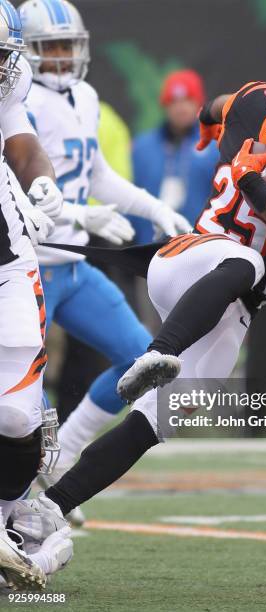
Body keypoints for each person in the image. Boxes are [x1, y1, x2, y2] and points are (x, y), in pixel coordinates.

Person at [12, 51, 266, 534]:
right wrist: (209, 126)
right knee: (245, 259)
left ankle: (50, 507)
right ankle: (157, 351)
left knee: (167, 414)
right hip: (190, 261)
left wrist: (250, 178)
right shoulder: (253, 104)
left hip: (233, 310)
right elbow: (220, 106)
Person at [17, 0, 191, 526]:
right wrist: (80, 217)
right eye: (52, 47)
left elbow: (97, 176)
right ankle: (19, 503)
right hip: (26, 270)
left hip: (71, 268)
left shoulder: (86, 97)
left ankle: (63, 456)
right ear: (27, 51)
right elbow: (15, 188)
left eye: (71, 45)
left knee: (139, 359)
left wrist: (153, 207)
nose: (64, 57)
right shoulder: (17, 100)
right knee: (20, 394)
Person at [0, 0, 74, 589]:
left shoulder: (15, 74)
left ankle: (5, 522)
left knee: (17, 412)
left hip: (5, 250)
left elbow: (19, 138)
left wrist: (40, 183)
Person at [131, 69, 219, 244]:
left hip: (200, 244)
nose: (181, 108)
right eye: (174, 101)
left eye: (187, 100)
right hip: (150, 246)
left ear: (198, 103)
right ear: (165, 105)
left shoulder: (215, 146)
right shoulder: (142, 146)